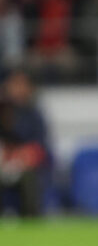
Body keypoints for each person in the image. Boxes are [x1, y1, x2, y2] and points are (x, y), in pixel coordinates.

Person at [0, 69, 50, 217]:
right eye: (14, 84)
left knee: (29, 179)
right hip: (3, 160)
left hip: (25, 164)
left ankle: (30, 219)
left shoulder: (34, 115)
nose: (18, 88)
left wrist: (21, 156)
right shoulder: (3, 111)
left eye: (22, 84)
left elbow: (39, 146)